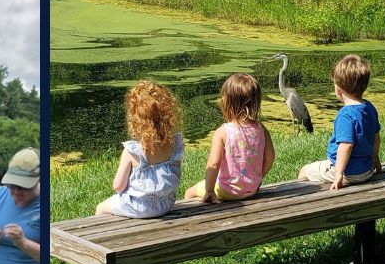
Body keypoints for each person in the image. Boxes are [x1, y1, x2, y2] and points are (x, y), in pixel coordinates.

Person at [94, 80, 184, 220]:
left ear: (136, 118)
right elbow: (176, 174)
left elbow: (118, 186)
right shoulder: (174, 144)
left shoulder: (133, 150)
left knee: (101, 208)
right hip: (165, 204)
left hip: (138, 207)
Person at [183, 73, 275, 203]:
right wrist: (258, 178)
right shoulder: (262, 129)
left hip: (226, 190)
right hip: (252, 189)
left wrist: (209, 191)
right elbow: (270, 157)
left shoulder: (223, 132)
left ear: (227, 103)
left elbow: (213, 164)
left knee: (189, 193)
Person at [297, 55, 380, 189]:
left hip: (348, 173)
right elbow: (376, 137)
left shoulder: (345, 115)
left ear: (339, 89)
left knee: (305, 171)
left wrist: (339, 173)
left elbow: (346, 145)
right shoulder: (369, 108)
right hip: (366, 170)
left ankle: (304, 202)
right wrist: (376, 159)